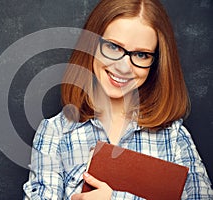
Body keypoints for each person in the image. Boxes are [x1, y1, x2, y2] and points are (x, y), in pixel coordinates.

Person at [23, 0, 213, 199]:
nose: (123, 68)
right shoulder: (54, 134)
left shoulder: (174, 138)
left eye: (141, 54)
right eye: (113, 47)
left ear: (155, 63)